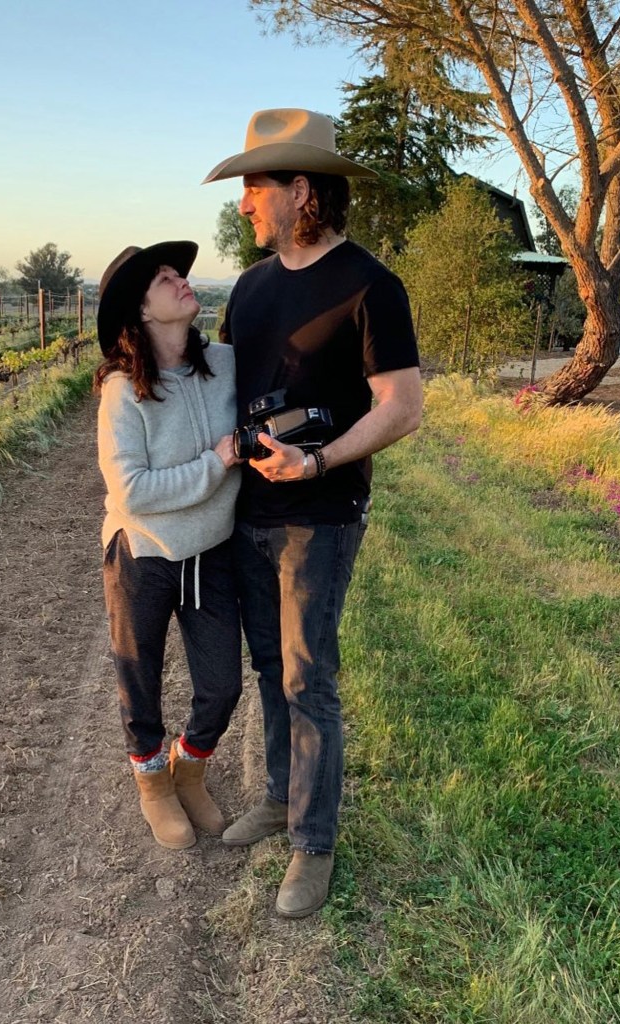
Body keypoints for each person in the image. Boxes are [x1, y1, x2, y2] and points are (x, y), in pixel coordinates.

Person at [202, 109, 423, 916]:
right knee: (270, 666)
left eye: (253, 189)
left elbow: (403, 407)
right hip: (247, 512)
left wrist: (319, 460)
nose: (242, 205)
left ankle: (314, 844)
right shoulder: (252, 290)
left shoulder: (370, 285)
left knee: (307, 677)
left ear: (302, 191)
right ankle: (278, 797)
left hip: (321, 514)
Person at [95, 240, 243, 851]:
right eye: (163, 278)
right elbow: (130, 490)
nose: (180, 280)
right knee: (141, 680)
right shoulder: (123, 393)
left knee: (222, 685)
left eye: (178, 272)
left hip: (211, 550)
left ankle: (190, 767)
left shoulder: (229, 364)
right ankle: (153, 785)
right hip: (144, 553)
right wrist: (217, 463)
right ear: (143, 314)